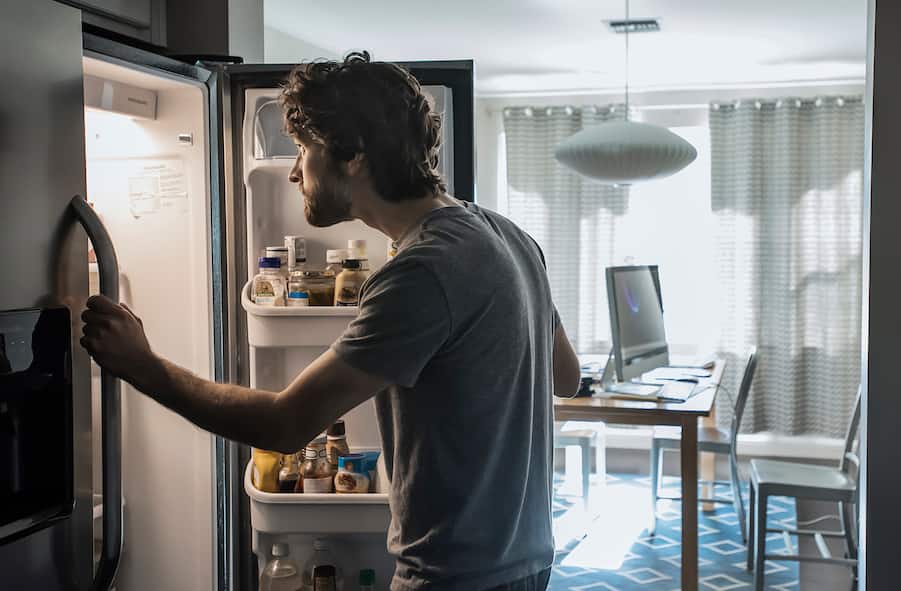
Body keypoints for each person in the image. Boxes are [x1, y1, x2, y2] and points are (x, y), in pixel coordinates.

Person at [80, 52, 580, 591]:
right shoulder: (507, 235)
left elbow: (285, 424)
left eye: (304, 149)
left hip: (456, 575)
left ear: (354, 154)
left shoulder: (422, 271)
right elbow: (566, 378)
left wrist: (143, 366)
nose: (295, 171)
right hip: (529, 561)